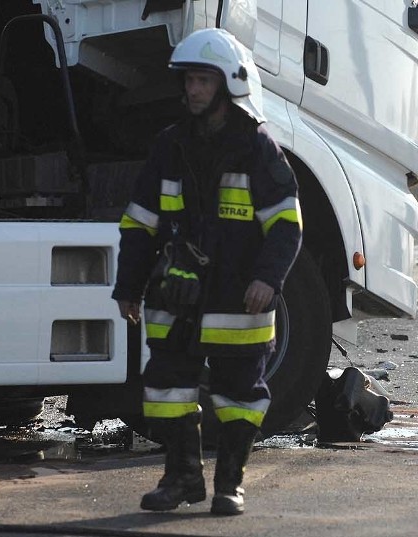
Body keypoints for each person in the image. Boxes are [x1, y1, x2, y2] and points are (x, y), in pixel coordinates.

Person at [111, 28, 303, 516]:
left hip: (240, 295)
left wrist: (268, 279)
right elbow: (139, 223)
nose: (192, 90)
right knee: (165, 391)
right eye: (189, 80)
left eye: (202, 80)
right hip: (177, 295)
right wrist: (128, 286)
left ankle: (229, 485)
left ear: (229, 84)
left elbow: (286, 225)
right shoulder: (168, 146)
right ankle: (181, 479)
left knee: (240, 396)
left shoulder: (259, 149)